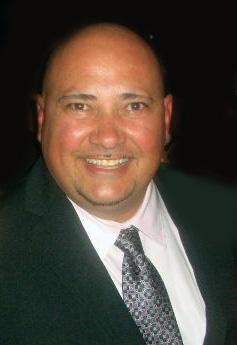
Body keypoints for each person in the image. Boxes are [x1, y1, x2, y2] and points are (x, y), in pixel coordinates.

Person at [0, 22, 236, 345]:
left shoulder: (223, 213)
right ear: (42, 119)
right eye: (80, 106)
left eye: (134, 106)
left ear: (166, 119)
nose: (108, 137)